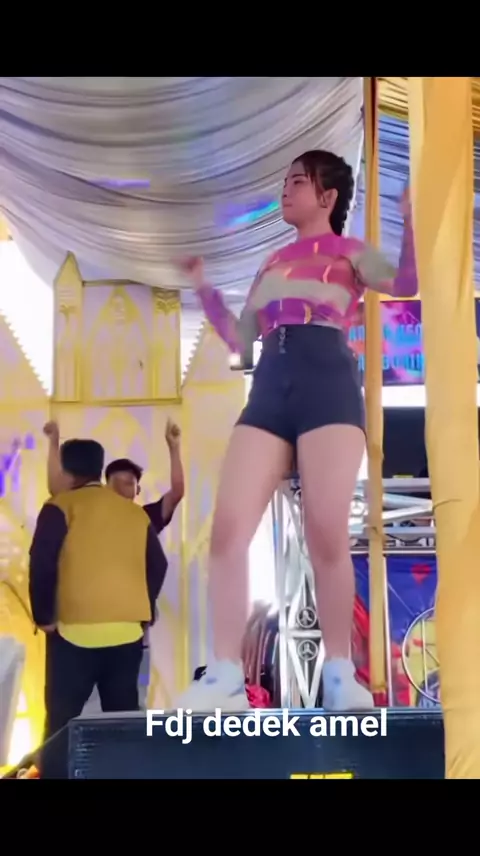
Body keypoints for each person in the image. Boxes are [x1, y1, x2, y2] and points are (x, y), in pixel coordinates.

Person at [176, 149, 418, 712]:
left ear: (327, 197)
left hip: (326, 382)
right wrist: (204, 286)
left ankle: (339, 672)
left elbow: (405, 283)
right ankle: (225, 674)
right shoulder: (271, 261)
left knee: (325, 534)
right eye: (286, 181)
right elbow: (240, 339)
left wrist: (409, 219)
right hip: (269, 385)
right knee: (228, 530)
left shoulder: (348, 250)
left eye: (297, 182)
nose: (286, 190)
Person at [29, 438, 167, 741]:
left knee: (61, 724)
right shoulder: (135, 513)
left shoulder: (59, 506)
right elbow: (158, 565)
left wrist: (44, 616)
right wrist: (142, 610)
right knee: (122, 723)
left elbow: (42, 563)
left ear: (66, 472)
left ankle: (57, 767)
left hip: (73, 632)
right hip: (127, 634)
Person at [43, 418, 184, 535]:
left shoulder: (144, 517)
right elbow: (57, 490)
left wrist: (174, 447)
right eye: (115, 484)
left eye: (128, 483)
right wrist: (53, 442)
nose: (120, 490)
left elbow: (177, 492)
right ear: (105, 486)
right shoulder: (92, 512)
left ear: (138, 490)